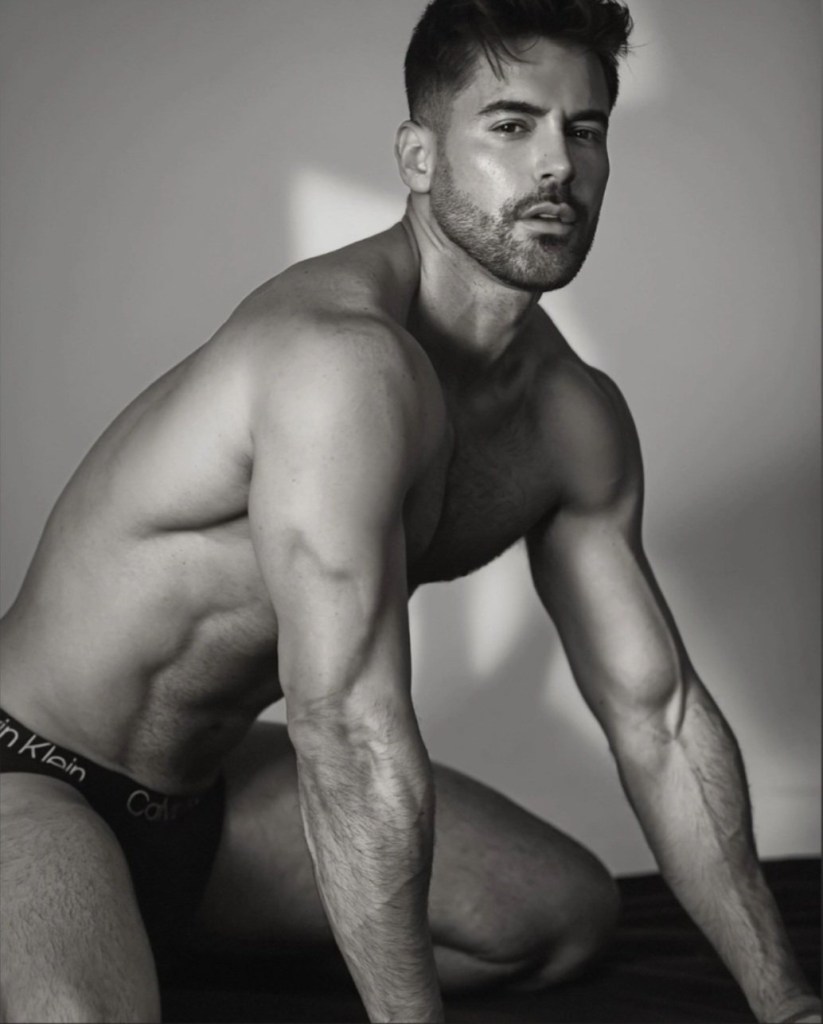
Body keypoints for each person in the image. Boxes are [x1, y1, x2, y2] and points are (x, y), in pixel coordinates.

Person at [0, 0, 819, 1021]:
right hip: (30, 770)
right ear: (419, 157)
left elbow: (658, 715)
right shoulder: (338, 363)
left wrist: (787, 1003)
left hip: (202, 800)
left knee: (564, 913)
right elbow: (345, 724)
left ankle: (130, 925)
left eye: (585, 130)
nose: (556, 165)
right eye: (511, 125)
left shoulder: (571, 418)